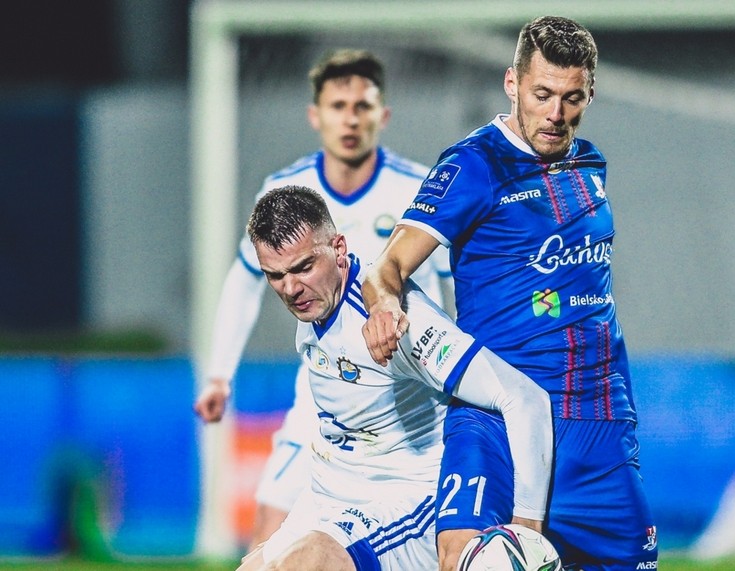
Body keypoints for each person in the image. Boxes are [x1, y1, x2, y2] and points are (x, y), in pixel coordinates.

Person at [361, 16, 659, 570]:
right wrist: (382, 308)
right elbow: (387, 268)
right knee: (462, 557)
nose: (555, 113)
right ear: (512, 84)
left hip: (597, 424)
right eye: (542, 94)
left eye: (572, 98)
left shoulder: (590, 166)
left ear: (590, 94)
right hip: (495, 418)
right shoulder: (473, 165)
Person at [192, 49, 451, 549]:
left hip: (406, 407)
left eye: (362, 106)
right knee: (269, 539)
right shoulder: (285, 191)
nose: (350, 119)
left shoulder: (418, 188)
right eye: (337, 106)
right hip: (324, 393)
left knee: (410, 547)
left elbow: (449, 285)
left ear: (383, 115)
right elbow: (244, 279)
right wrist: (220, 373)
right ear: (316, 116)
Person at [235, 185, 552, 570]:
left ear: (338, 249)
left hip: (402, 498)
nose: (290, 289)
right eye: (275, 275)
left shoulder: (396, 322)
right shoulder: (316, 302)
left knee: (310, 562)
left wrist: (527, 524)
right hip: (328, 498)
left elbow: (524, 397)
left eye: (303, 268)